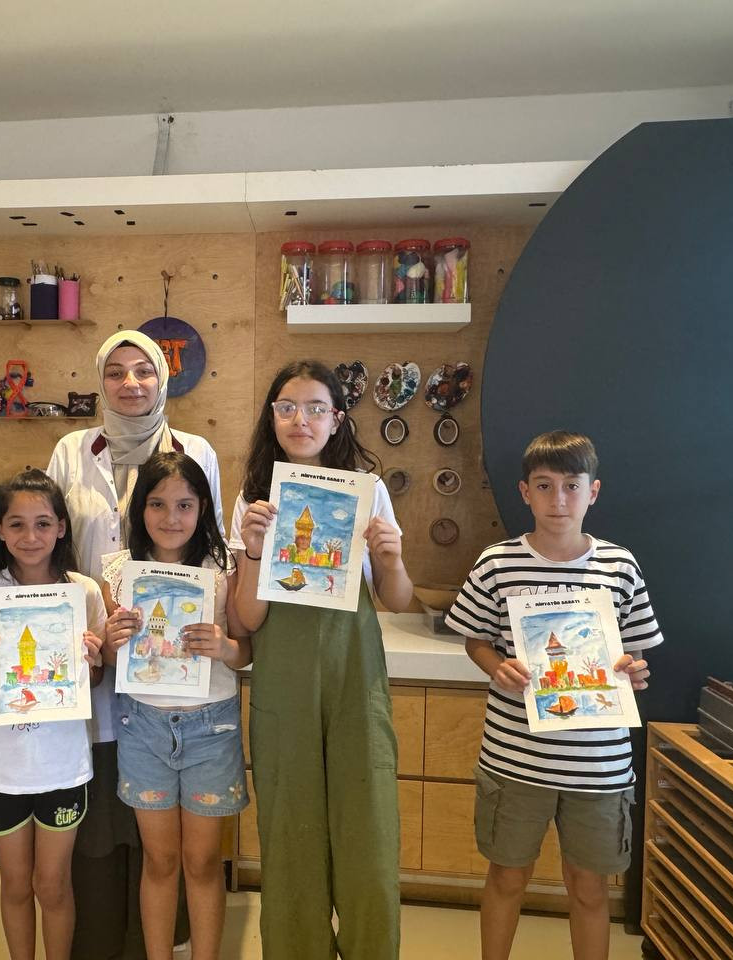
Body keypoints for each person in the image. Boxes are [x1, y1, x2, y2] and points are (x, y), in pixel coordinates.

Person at [446, 431, 659, 960]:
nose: (558, 499)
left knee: (589, 889)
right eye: (544, 486)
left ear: (593, 492)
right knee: (506, 877)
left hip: (598, 764)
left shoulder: (620, 566)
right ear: (525, 492)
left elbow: (634, 654)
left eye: (571, 485)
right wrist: (497, 667)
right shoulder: (497, 563)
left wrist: (634, 671)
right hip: (515, 758)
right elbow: (475, 639)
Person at [47, 330, 221, 958]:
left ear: (163, 379)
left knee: (166, 811)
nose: (130, 383)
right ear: (100, 381)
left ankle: (169, 940)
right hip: (96, 649)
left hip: (171, 668)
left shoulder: (195, 450)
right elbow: (54, 546)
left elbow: (211, 547)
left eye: (143, 370)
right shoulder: (71, 450)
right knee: (105, 799)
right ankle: (102, 937)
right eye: (116, 371)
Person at [231, 360, 412, 959]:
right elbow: (246, 620)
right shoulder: (254, 499)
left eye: (315, 409)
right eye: (287, 408)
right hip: (283, 681)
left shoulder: (367, 490)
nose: (300, 420)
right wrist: (253, 550)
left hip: (354, 677)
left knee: (368, 826)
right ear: (272, 417)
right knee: (290, 831)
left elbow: (397, 599)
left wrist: (390, 558)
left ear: (337, 419)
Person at [0, 469, 104, 960]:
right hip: (0, 769)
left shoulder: (84, 592)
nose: (30, 536)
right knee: (14, 885)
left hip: (62, 766)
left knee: (52, 884)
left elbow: (95, 681)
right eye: (16, 524)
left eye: (43, 523)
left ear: (61, 528)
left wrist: (92, 662)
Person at [102, 451, 250, 960]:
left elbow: (247, 650)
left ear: (203, 507)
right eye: (158, 504)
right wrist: (111, 641)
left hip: (212, 728)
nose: (171, 517)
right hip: (143, 726)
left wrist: (225, 647)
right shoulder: (120, 572)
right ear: (140, 509)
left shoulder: (223, 567)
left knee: (203, 862)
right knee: (160, 860)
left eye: (185, 505)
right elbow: (110, 658)